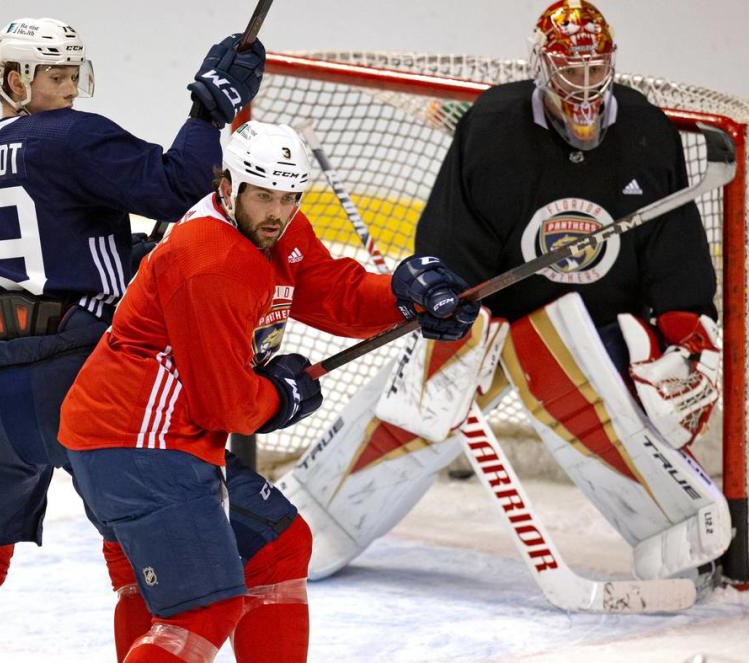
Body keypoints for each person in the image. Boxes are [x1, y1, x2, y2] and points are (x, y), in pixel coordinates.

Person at [280, 0, 731, 586]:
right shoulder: (494, 126)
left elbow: (673, 242)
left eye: (597, 71)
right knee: (425, 398)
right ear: (542, 67)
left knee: (625, 417)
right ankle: (312, 518)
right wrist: (446, 298)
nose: (586, 87)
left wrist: (684, 324)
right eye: (573, 71)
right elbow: (452, 231)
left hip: (597, 325)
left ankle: (682, 533)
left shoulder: (645, 128)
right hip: (491, 313)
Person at [0, 17, 267, 663]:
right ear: (16, 79)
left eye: (75, 75)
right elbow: (176, 183)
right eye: (55, 75)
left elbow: (31, 251)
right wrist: (208, 111)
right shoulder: (72, 136)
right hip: (82, 376)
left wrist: (116, 252)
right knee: (139, 549)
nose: (70, 89)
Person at [56, 120, 478, 662]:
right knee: (199, 610)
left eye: (289, 197)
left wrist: (404, 297)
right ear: (228, 186)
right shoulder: (211, 260)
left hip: (139, 438)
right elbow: (226, 404)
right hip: (139, 446)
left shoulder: (271, 229)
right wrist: (283, 397)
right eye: (264, 197)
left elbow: (330, 291)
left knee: (276, 549)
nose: (278, 212)